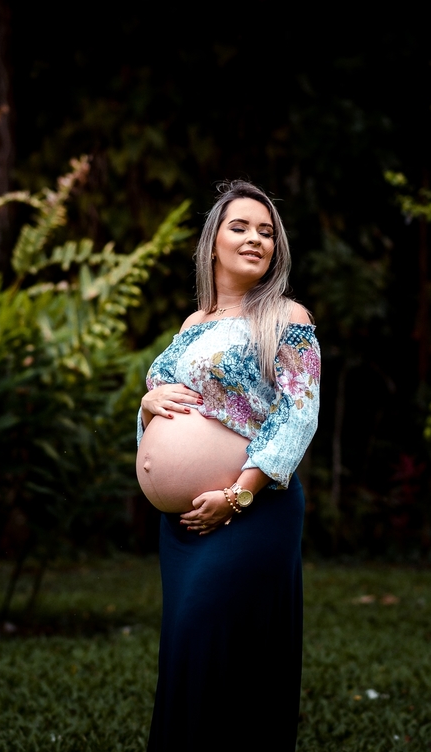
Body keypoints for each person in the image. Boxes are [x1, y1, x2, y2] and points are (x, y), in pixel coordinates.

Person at [136, 180, 321, 751]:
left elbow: (299, 414)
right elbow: (161, 389)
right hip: (185, 526)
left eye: (266, 232)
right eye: (240, 227)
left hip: (252, 510)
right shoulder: (194, 324)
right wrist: (147, 405)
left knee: (220, 643)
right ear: (212, 241)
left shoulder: (287, 316)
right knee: (188, 651)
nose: (255, 239)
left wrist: (238, 494)